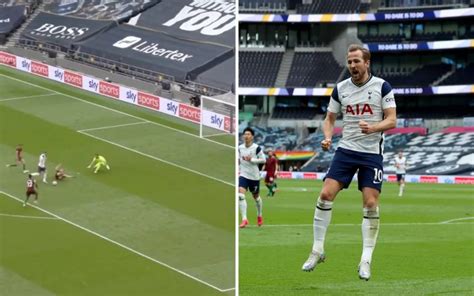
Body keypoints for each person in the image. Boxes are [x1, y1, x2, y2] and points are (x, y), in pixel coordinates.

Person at [301, 44, 397, 281]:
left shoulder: (382, 86)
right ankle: (317, 250)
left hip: (371, 153)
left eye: (357, 61)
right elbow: (330, 118)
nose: (352, 65)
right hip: (346, 150)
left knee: (371, 203)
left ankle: (366, 259)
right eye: (350, 61)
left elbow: (392, 120)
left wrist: (373, 127)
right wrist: (326, 136)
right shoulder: (340, 89)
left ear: (367, 63)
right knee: (325, 195)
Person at [238, 127, 266, 228]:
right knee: (240, 195)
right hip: (243, 175)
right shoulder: (240, 148)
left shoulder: (256, 148)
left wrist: (252, 160)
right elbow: (238, 160)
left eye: (248, 134)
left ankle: (259, 216)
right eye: (245, 134)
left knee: (256, 198)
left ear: (252, 137)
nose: (246, 136)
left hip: (254, 176)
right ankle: (244, 219)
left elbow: (263, 160)